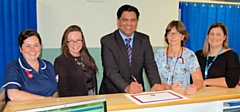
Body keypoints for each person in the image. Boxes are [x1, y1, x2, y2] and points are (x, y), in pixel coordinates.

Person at [100, 4, 164, 94]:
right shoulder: (108, 41)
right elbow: (110, 70)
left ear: (137, 21)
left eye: (133, 20)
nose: (129, 24)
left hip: (138, 92)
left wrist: (156, 83)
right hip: (113, 92)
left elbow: (150, 65)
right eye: (125, 20)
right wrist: (126, 87)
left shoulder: (144, 40)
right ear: (118, 21)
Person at [1, 29, 58, 103]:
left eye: (36, 45)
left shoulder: (48, 66)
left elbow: (55, 91)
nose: (32, 49)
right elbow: (13, 94)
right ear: (20, 48)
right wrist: (44, 100)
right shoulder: (13, 67)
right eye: (28, 46)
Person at [154, 20, 203, 95]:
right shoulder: (157, 55)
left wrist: (193, 87)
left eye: (176, 33)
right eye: (170, 33)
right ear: (166, 36)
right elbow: (153, 80)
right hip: (161, 96)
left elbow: (199, 80)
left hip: (182, 96)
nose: (173, 36)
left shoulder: (189, 55)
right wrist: (169, 87)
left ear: (183, 36)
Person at [54, 25, 98, 97]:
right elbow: (63, 91)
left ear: (82, 41)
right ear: (66, 43)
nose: (75, 44)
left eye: (78, 40)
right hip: (74, 104)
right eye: (71, 41)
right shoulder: (61, 62)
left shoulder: (88, 58)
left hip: (92, 101)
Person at [195, 22, 240, 88]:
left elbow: (231, 82)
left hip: (222, 96)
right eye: (212, 34)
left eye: (218, 34)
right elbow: (191, 78)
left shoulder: (231, 56)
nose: (214, 37)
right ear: (207, 37)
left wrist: (205, 82)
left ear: (224, 37)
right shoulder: (198, 55)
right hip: (200, 95)